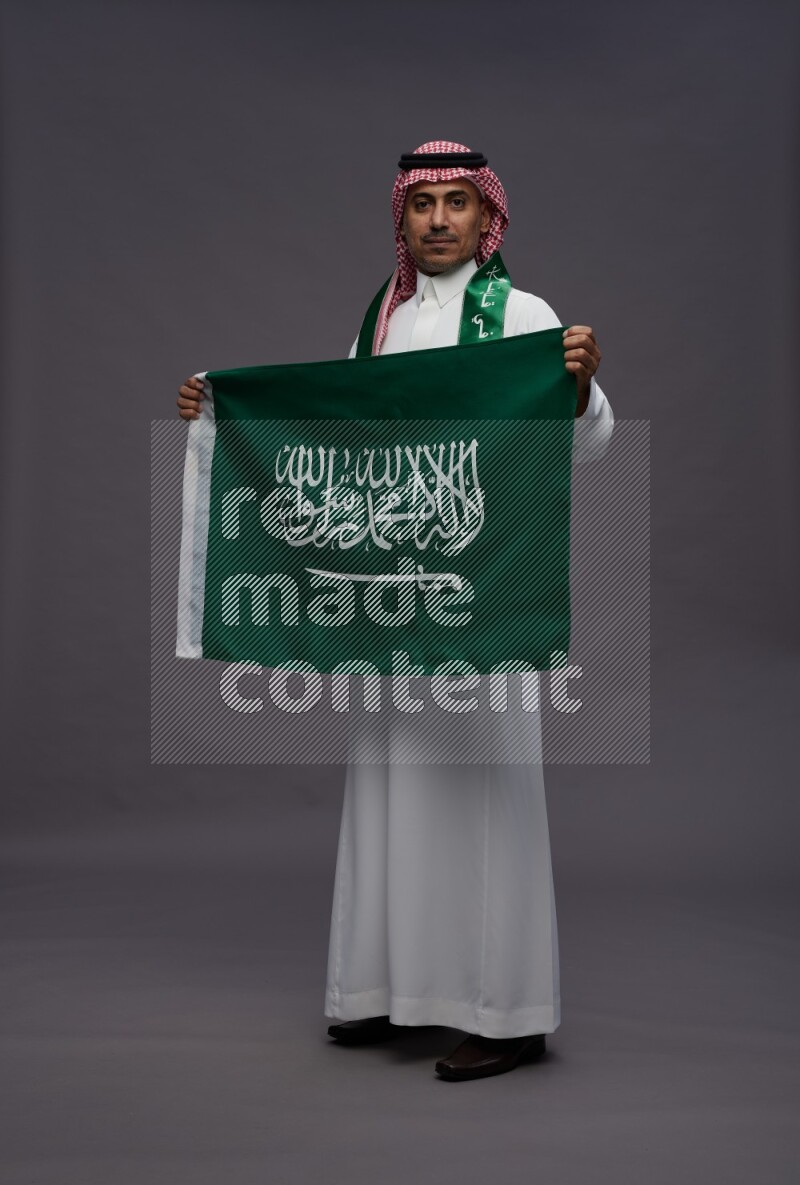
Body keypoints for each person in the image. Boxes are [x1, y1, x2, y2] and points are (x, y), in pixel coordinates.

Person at [176, 141, 614, 1081]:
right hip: (388, 603)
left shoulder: (523, 316)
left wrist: (578, 387)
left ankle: (509, 1012)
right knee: (390, 792)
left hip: (478, 600)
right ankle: (384, 991)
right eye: (425, 206)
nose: (442, 220)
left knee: (486, 798)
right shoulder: (378, 323)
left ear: (486, 217)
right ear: (403, 219)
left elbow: (585, 442)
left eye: (459, 203)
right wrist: (225, 416)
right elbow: (334, 443)